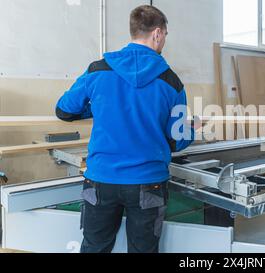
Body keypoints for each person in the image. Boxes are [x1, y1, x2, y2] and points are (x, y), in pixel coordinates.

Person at [55, 5, 196, 253]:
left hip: (101, 180)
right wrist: (191, 128)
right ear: (157, 34)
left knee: (94, 248)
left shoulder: (98, 69)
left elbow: (65, 110)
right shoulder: (172, 82)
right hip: (148, 182)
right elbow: (177, 140)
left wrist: (98, 107)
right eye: (164, 35)